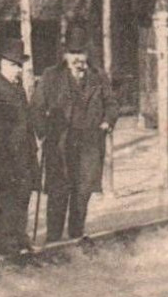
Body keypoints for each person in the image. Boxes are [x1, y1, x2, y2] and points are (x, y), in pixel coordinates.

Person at [33, 30, 117, 244]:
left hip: (89, 143)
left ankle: (76, 235)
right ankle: (53, 238)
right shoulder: (51, 76)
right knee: (59, 191)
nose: (77, 58)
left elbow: (112, 104)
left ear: (87, 55)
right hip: (60, 143)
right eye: (73, 53)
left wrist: (107, 122)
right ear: (65, 55)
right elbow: (37, 107)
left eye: (81, 53)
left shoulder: (98, 77)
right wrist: (44, 132)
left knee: (83, 191)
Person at [0, 38, 38, 256]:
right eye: (13, 65)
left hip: (23, 153)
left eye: (19, 65)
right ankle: (6, 245)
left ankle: (21, 239)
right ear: (2, 64)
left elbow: (26, 121)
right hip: (5, 156)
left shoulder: (18, 89)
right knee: (7, 201)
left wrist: (32, 148)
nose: (18, 69)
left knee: (23, 196)